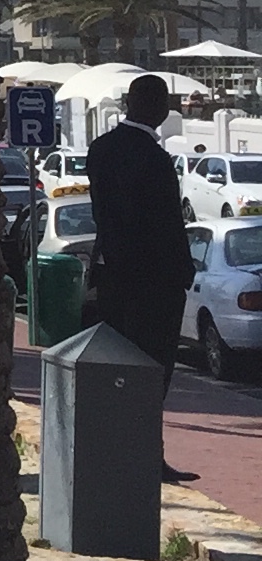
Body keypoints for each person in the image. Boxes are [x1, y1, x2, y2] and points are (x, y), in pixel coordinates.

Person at [87, 73, 199, 476]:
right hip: (155, 284)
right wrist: (183, 270)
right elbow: (166, 224)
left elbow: (106, 215)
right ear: (159, 108)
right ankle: (147, 456)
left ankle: (116, 452)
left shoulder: (101, 149)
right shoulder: (153, 158)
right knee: (153, 372)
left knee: (117, 372)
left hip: (112, 278)